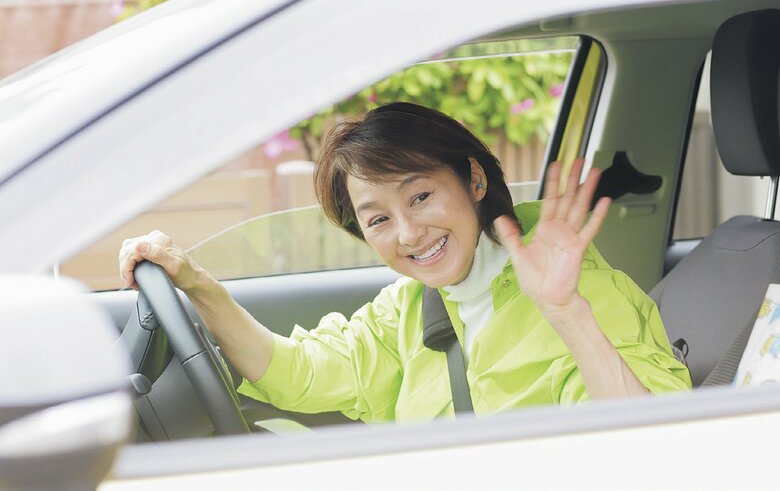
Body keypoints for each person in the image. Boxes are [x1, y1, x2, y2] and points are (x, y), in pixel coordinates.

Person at [119, 102, 691, 423]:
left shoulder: (582, 290)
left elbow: (656, 449)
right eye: (378, 220)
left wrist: (567, 313)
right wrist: (196, 284)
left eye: (420, 196)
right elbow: (298, 374)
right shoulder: (409, 309)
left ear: (473, 179)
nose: (410, 234)